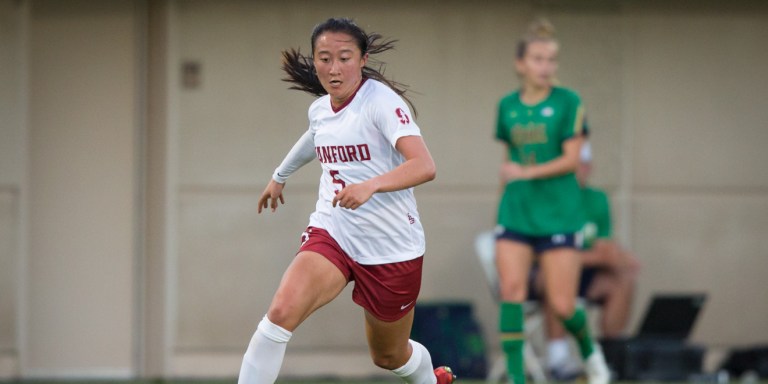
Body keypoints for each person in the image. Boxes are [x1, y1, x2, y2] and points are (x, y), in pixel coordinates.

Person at [237, 17, 455, 384]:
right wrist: (280, 175)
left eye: (344, 58)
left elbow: (425, 165)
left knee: (388, 356)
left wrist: (371, 186)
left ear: (363, 59)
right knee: (279, 313)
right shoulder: (321, 108)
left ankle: (429, 379)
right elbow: (315, 135)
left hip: (391, 247)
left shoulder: (381, 102)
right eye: (324, 58)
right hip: (334, 231)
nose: (333, 68)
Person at [493, 19, 610, 384]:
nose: (546, 67)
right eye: (539, 59)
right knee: (511, 292)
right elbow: (508, 161)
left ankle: (591, 355)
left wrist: (525, 173)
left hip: (559, 214)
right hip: (516, 212)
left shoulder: (569, 102)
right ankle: (516, 377)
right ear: (521, 64)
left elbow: (572, 159)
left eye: (551, 60)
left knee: (561, 305)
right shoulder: (506, 106)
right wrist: (503, 200)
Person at [542, 140, 640, 380]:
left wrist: (613, 257)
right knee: (555, 278)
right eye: (577, 165)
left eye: (586, 165)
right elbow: (544, 252)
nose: (582, 170)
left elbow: (604, 246)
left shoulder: (597, 199)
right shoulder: (548, 199)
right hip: (545, 271)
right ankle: (558, 357)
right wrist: (595, 255)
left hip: (584, 272)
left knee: (623, 279)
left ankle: (610, 353)